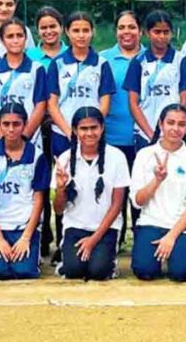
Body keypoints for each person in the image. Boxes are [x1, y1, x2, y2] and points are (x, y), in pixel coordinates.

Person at [52, 107, 129, 280]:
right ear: (74, 130)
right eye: (83, 129)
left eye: (94, 128)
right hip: (75, 227)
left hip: (106, 228)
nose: (89, 133)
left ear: (102, 128)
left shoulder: (117, 157)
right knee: (73, 271)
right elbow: (57, 210)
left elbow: (117, 205)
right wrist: (61, 188)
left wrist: (94, 239)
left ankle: (109, 261)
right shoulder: (64, 159)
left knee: (98, 271)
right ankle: (69, 258)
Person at [0, 103, 49, 280]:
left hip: (23, 226)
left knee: (25, 272)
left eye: (16, 124)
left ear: (24, 125)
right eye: (6, 124)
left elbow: (39, 201)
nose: (11, 129)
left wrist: (25, 238)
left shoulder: (36, 156)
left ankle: (32, 255)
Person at [130, 105, 186, 282]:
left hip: (182, 227)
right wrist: (157, 180)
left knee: (181, 273)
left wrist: (171, 237)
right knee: (144, 271)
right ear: (161, 124)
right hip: (151, 223)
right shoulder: (144, 155)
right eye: (170, 123)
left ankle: (184, 252)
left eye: (181, 124)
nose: (175, 129)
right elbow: (137, 201)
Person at [99, 10, 144, 252]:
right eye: (122, 27)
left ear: (140, 30)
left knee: (140, 193)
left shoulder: (150, 58)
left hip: (144, 139)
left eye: (131, 27)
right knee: (114, 192)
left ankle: (141, 240)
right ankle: (114, 240)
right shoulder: (103, 59)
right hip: (113, 138)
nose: (126, 32)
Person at [25, 6, 67, 258]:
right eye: (43, 27)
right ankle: (41, 237)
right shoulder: (29, 56)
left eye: (53, 26)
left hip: (63, 129)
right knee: (40, 182)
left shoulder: (69, 54)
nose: (49, 31)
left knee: (63, 182)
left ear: (61, 27)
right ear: (37, 30)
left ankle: (64, 236)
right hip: (35, 128)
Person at [47, 11, 115, 157]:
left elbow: (105, 104)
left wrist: (90, 129)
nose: (81, 35)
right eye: (76, 31)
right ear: (67, 32)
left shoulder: (102, 64)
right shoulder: (57, 64)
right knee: (64, 177)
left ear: (92, 32)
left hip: (92, 134)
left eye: (85, 30)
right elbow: (52, 105)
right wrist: (69, 132)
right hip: (62, 133)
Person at [125, 10, 186, 149]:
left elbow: (185, 100)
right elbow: (133, 103)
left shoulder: (180, 60)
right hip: (145, 133)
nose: (162, 36)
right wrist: (152, 135)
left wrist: (174, 128)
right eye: (157, 32)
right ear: (147, 32)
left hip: (176, 133)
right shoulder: (138, 62)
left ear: (172, 33)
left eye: (166, 32)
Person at [0, 18, 48, 147]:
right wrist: (1, 136)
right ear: (2, 40)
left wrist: (24, 136)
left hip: (31, 140)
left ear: (26, 38)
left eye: (20, 36)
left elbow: (40, 106)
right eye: (10, 36)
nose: (15, 40)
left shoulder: (37, 69)